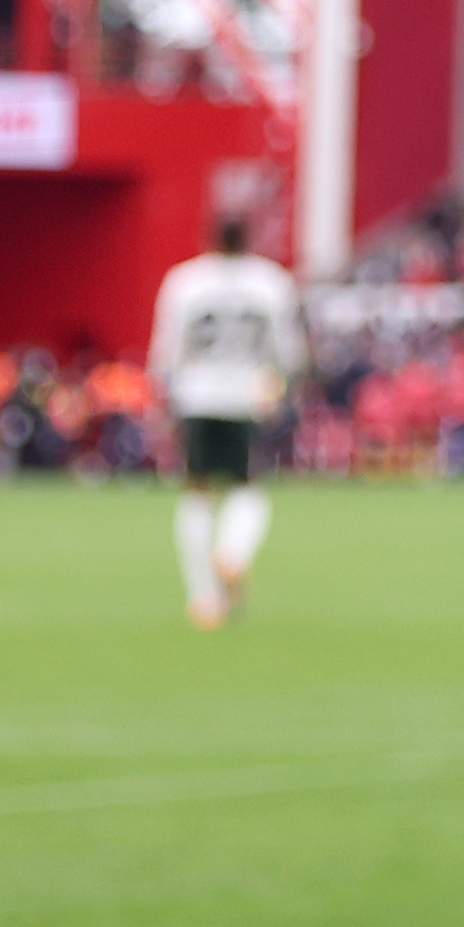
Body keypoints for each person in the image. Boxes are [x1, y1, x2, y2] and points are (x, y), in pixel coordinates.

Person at [149, 214, 305, 628]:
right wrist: (283, 383)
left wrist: (166, 396)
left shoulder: (185, 281)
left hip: (197, 395)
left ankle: (204, 598)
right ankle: (233, 552)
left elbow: (167, 350)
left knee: (197, 491)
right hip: (247, 396)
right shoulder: (270, 281)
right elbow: (287, 350)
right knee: (247, 488)